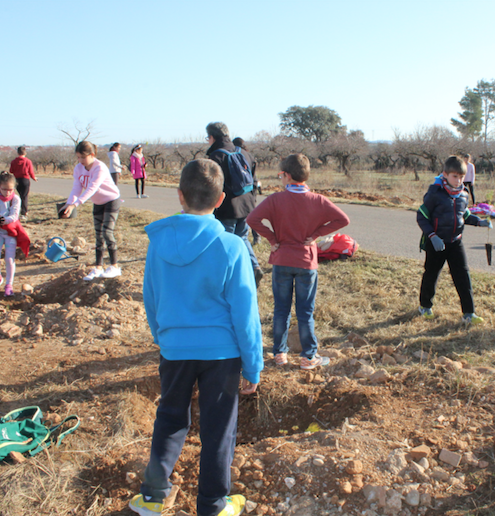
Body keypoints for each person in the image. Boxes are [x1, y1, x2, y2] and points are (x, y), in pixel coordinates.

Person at [130, 158, 262, 516]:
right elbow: (245, 313)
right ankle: (213, 506)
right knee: (219, 430)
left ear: (180, 195)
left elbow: (151, 297)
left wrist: (164, 338)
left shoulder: (158, 243)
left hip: (174, 349)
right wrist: (253, 365)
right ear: (220, 200)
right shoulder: (231, 246)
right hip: (222, 355)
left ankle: (152, 498)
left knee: (170, 419)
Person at [247, 153, 349, 369]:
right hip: (306, 262)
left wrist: (272, 238)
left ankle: (279, 354)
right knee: (305, 312)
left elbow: (252, 219)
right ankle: (308, 357)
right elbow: (343, 219)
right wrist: (316, 234)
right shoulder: (318, 200)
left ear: (287, 175)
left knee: (281, 310)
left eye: (280, 175)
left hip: (282, 260)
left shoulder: (275, 199)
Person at [416, 155, 492, 325]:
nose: (458, 181)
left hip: (456, 242)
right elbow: (421, 216)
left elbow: (464, 215)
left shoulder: (463, 195)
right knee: (431, 275)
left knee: (463, 276)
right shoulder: (435, 194)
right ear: (445, 174)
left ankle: (469, 313)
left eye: (461, 177)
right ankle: (425, 306)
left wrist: (479, 222)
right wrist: (432, 236)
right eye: (454, 176)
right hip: (436, 243)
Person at [206, 123, 263, 285]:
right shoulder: (245, 153)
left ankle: (229, 278)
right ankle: (254, 267)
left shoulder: (215, 157)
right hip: (246, 206)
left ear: (212, 137)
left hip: (226, 208)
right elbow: (254, 182)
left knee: (226, 243)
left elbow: (213, 187)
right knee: (242, 238)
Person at [61, 141, 123, 281]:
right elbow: (76, 188)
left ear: (92, 155)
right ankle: (98, 267)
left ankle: (114, 266)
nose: (80, 160)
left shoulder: (99, 167)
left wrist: (76, 204)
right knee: (98, 235)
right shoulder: (78, 168)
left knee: (107, 232)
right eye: (78, 157)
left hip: (111, 200)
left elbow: (92, 188)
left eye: (83, 157)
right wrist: (69, 204)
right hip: (98, 203)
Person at [0, 173, 27, 296]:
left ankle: (9, 284)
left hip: (10, 232)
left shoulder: (15, 199)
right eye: (5, 189)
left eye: (11, 190)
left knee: (9, 258)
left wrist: (4, 220)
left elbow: (14, 215)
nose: (8, 193)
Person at [233, 137, 261, 246]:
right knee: (252, 213)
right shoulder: (249, 155)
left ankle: (254, 237)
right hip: (250, 188)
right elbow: (254, 175)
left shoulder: (233, 154)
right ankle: (257, 237)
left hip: (239, 190)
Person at [9, 146, 37, 220]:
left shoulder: (14, 161)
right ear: (25, 152)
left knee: (20, 195)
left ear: (18, 152)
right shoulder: (28, 161)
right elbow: (31, 171)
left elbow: (11, 171)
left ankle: (18, 210)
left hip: (16, 180)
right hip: (25, 179)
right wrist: (34, 178)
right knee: (24, 196)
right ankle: (24, 212)